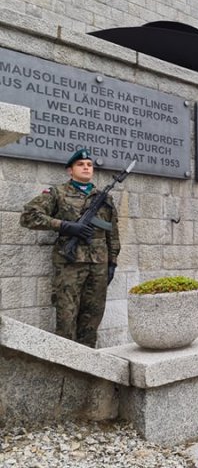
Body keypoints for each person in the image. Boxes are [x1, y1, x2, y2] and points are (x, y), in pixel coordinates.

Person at [20, 149, 120, 348]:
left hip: (98, 266)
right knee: (66, 318)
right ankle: (65, 371)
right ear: (70, 170)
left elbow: (112, 232)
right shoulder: (57, 193)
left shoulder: (104, 197)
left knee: (92, 320)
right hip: (69, 264)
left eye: (89, 165)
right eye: (80, 164)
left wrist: (113, 262)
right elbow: (29, 216)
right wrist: (65, 226)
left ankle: (88, 368)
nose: (86, 168)